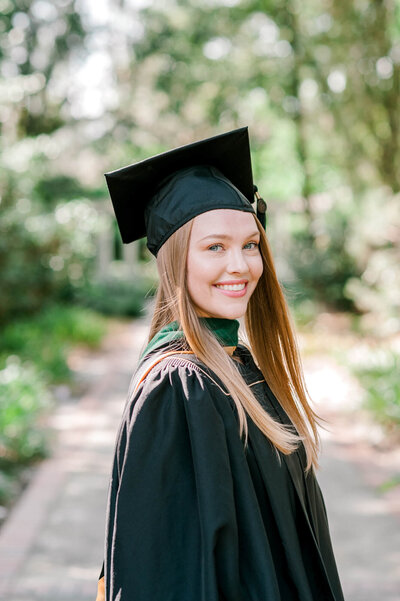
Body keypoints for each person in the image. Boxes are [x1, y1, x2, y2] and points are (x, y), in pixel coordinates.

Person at [96, 127, 345, 601]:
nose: (241, 265)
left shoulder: (239, 364)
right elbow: (168, 570)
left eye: (250, 244)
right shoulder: (179, 387)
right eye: (215, 247)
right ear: (175, 261)